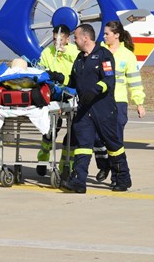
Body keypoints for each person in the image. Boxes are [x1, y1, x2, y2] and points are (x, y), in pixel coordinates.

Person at [61, 24, 121, 194]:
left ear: (85, 38)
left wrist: (94, 90)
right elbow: (72, 82)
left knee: (113, 145)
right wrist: (58, 79)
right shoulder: (79, 59)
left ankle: (123, 177)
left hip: (103, 109)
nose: (74, 40)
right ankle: (79, 181)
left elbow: (109, 81)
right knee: (83, 144)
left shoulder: (104, 56)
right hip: (84, 110)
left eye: (76, 37)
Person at [92, 21, 146, 189]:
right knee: (96, 138)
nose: (104, 36)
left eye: (107, 33)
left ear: (117, 35)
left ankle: (117, 176)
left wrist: (139, 102)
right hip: (99, 101)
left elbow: (134, 81)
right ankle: (104, 165)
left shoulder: (127, 55)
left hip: (118, 101)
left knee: (115, 141)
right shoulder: (98, 51)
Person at [36, 24, 79, 176]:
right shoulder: (47, 52)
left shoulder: (75, 51)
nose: (56, 43)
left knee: (73, 132)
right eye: (54, 40)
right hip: (54, 94)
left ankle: (66, 165)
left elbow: (80, 68)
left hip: (72, 93)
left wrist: (65, 53)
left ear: (67, 39)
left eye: (60, 40)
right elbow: (41, 69)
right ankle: (43, 158)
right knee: (51, 129)